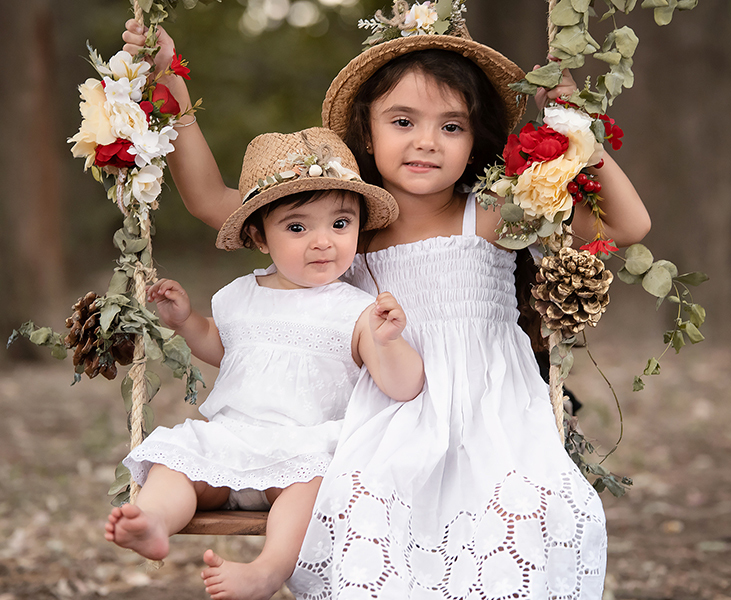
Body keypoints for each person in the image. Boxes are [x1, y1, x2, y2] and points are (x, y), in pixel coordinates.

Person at [123, 1, 651, 596]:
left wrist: (573, 122)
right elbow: (209, 199)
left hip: (488, 411)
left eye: (450, 127)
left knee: (523, 521)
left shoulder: (496, 217)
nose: (426, 142)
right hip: (380, 414)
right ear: (366, 131)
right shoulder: (343, 229)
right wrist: (169, 77)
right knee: (370, 525)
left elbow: (627, 226)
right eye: (403, 122)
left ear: (474, 139)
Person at [104, 127, 425, 600]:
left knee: (312, 487)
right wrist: (187, 321)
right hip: (231, 440)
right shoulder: (238, 296)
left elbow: (404, 386)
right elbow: (224, 348)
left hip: (303, 449)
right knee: (175, 463)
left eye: (340, 224)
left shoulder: (357, 309)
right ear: (258, 236)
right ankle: (152, 522)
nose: (323, 242)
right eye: (298, 227)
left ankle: (268, 570)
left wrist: (391, 340)